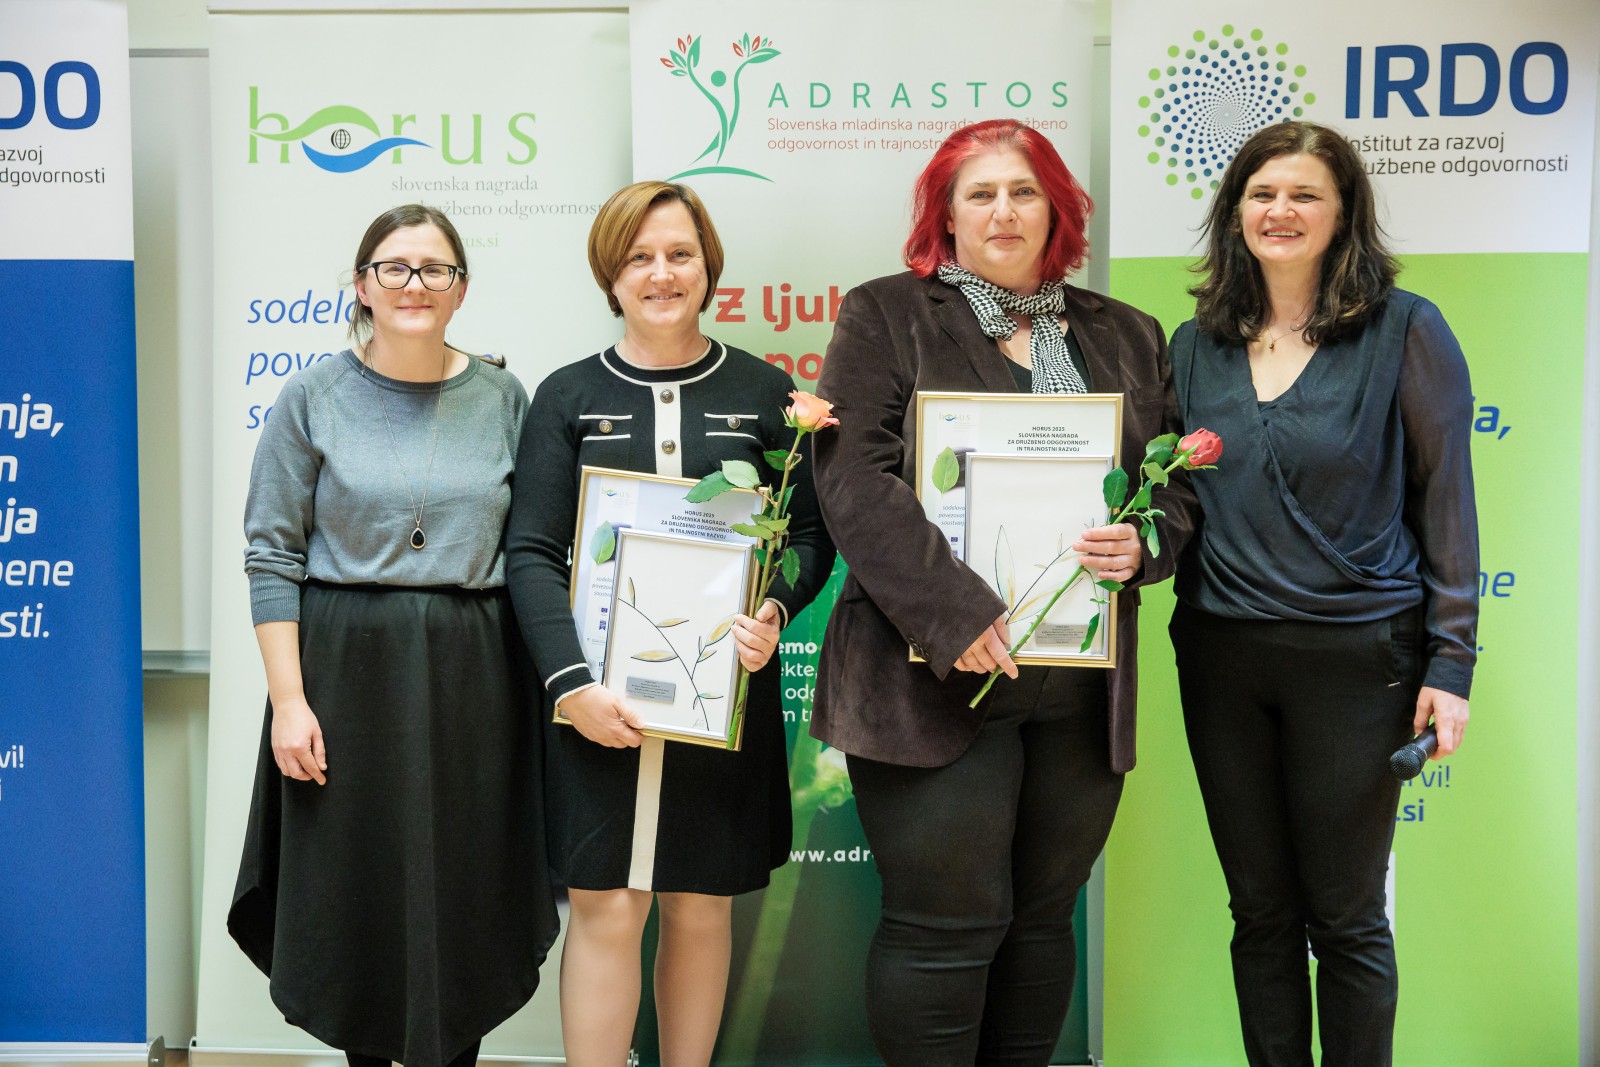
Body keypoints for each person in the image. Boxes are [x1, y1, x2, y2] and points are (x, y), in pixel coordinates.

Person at [809, 118, 1197, 1066]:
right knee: (944, 925)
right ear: (945, 215)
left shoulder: (1128, 334)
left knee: (1043, 918)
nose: (1003, 211)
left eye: (1024, 191)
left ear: (1057, 207)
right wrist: (957, 613)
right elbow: (852, 477)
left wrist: (1144, 542)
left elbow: (1174, 486)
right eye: (979, 194)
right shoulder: (886, 313)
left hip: (1079, 686)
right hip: (932, 675)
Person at [1168, 120, 1477, 1066]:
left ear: (1344, 213)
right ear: (1235, 211)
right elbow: (1173, 502)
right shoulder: (1193, 343)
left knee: (1345, 918)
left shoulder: (1406, 329)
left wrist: (1452, 662)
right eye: (1262, 193)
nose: (1281, 210)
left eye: (1305, 194)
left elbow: (1446, 498)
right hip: (1221, 658)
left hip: (1357, 660)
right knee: (1259, 911)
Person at [505, 181, 835, 1067]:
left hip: (721, 698)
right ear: (610, 276)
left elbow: (810, 537)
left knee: (700, 902)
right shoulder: (567, 395)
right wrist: (572, 687)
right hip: (594, 701)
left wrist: (774, 606)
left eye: (680, 254)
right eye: (639, 257)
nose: (661, 273)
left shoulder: (764, 391)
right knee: (607, 904)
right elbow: (529, 553)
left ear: (708, 267)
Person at [229, 204, 557, 1067]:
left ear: (461, 290)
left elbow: (535, 550)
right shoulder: (311, 397)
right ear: (362, 285)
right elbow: (272, 554)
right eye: (395, 267)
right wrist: (289, 702)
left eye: (435, 269)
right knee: (357, 898)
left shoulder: (504, 398)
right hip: (345, 677)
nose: (416, 284)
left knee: (467, 894)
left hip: (476, 679)